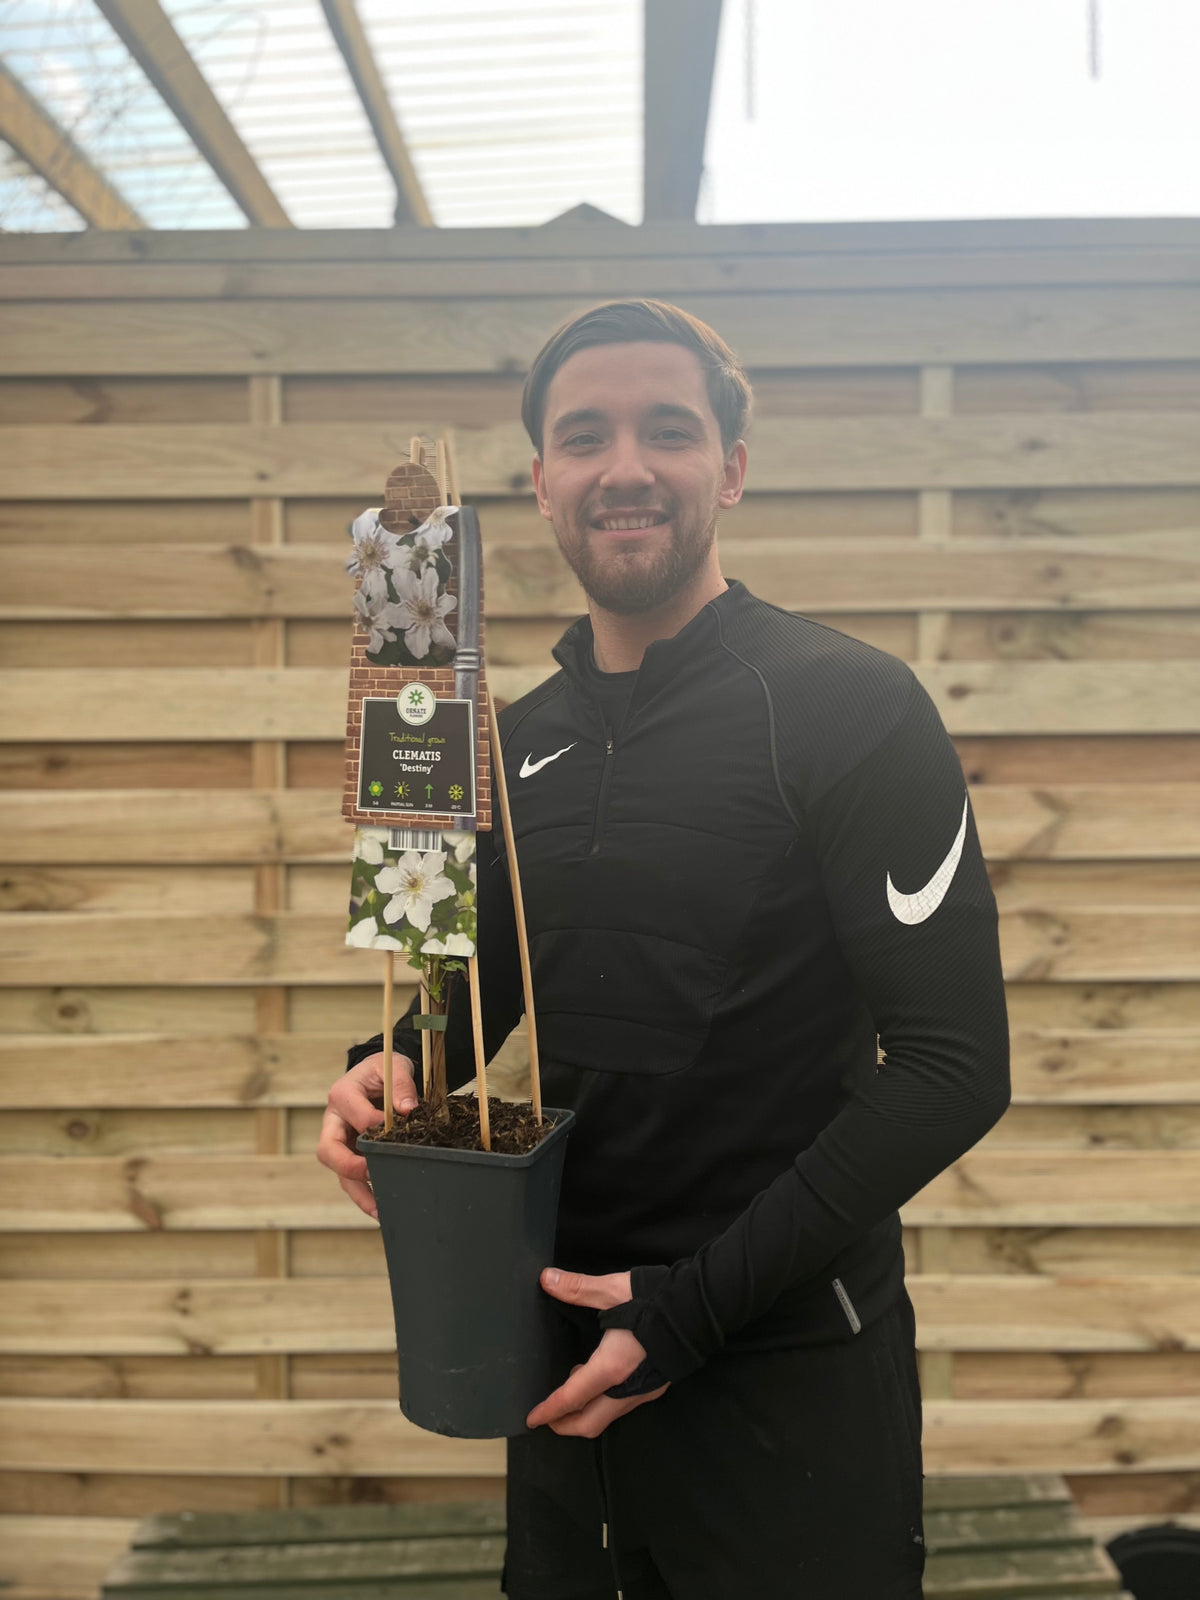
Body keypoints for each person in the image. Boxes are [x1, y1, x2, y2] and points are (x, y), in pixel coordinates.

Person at [318, 299, 1010, 1600]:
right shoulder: (514, 742)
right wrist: (388, 1068)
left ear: (731, 469)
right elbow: (479, 1000)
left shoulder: (851, 709)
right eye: (586, 436)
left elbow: (953, 1065)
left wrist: (688, 1311)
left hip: (788, 1373)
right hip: (562, 1361)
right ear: (541, 483)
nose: (624, 466)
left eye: (668, 431)